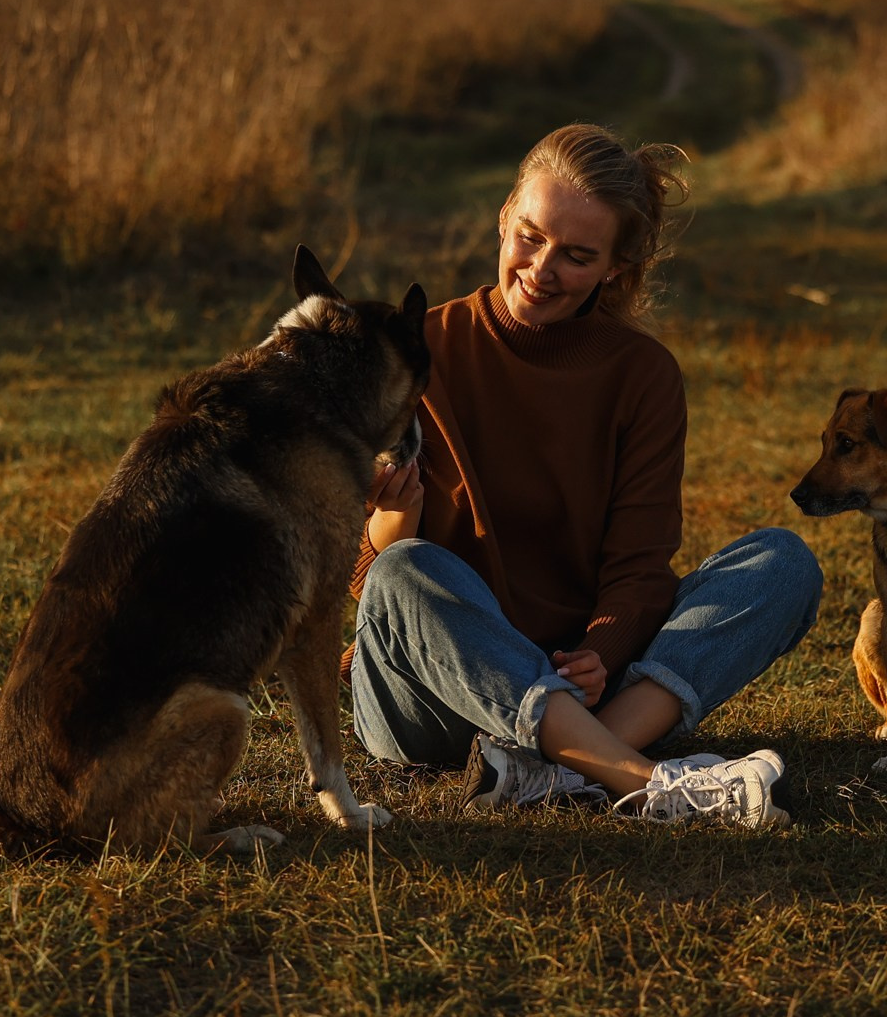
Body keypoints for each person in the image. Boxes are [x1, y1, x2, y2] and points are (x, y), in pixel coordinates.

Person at [346, 123, 823, 826]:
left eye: (576, 255)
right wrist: (391, 524)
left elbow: (640, 565)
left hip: (581, 677)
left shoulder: (643, 376)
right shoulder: (418, 353)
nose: (541, 268)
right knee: (403, 569)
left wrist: (601, 649)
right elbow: (370, 586)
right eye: (530, 237)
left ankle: (549, 768)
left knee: (782, 563)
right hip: (432, 699)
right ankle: (640, 776)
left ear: (615, 270)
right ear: (505, 217)